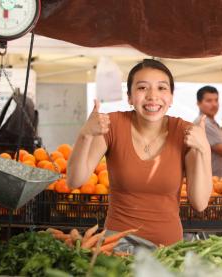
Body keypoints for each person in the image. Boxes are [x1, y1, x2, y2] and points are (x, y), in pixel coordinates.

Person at [67, 59, 212, 247]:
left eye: (161, 88)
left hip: (167, 250)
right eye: (142, 88)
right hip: (117, 247)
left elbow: (199, 203)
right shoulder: (111, 125)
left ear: (171, 97)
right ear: (129, 96)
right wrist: (85, 134)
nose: (153, 96)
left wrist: (204, 149)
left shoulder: (186, 132)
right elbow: (74, 180)